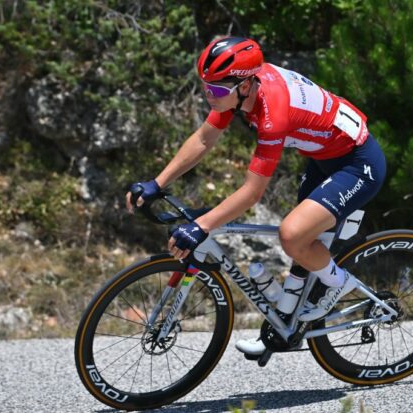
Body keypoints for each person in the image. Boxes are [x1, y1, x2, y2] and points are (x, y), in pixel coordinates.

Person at [126, 36, 386, 357]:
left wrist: (201, 226)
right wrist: (157, 182)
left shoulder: (271, 112)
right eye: (206, 87)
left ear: (246, 86)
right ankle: (283, 327)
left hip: (358, 163)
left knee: (292, 235)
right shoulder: (236, 91)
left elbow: (252, 193)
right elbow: (205, 139)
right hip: (325, 157)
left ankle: (339, 284)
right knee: (301, 241)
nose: (210, 96)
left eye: (218, 91)